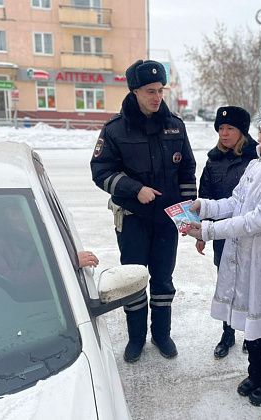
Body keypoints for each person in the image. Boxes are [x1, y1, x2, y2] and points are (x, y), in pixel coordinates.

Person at [186, 107, 261, 407]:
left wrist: (208, 231)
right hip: (246, 253)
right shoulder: (255, 166)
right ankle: (256, 372)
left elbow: (257, 220)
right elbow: (234, 202)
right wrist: (205, 207)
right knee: (251, 315)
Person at [90, 59, 197, 363]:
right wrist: (134, 188)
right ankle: (136, 338)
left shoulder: (175, 125)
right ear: (135, 91)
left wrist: (187, 218)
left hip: (166, 221)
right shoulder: (115, 129)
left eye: (160, 90)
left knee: (163, 280)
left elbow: (187, 172)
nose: (157, 97)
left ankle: (162, 335)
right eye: (150, 91)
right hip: (133, 221)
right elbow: (101, 171)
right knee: (134, 278)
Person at [196, 106, 258, 359]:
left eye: (229, 128)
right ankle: (228, 332)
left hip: (251, 234)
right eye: (220, 128)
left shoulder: (256, 159)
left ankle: (251, 334)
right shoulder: (213, 160)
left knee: (251, 285)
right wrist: (202, 233)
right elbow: (206, 196)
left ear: (242, 131)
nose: (224, 133)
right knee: (227, 283)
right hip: (221, 234)